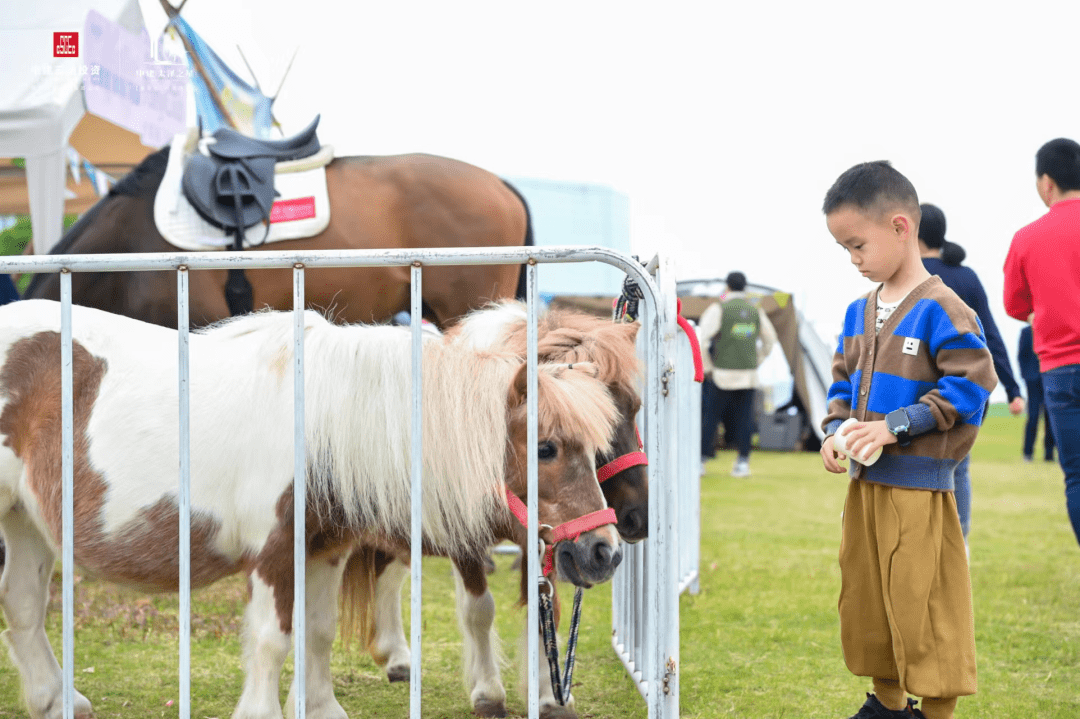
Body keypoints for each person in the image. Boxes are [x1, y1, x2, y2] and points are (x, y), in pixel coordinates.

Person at [820, 161, 996, 719]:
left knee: (927, 606)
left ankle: (935, 711)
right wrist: (834, 432)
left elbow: (972, 387)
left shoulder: (945, 308)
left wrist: (896, 426)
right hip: (865, 487)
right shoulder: (857, 311)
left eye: (857, 244)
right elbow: (841, 386)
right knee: (869, 600)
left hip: (920, 490)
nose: (853, 259)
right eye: (845, 248)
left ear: (900, 227)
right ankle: (886, 705)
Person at [918, 202, 1024, 538]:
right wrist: (1013, 388)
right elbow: (989, 336)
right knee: (959, 469)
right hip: (963, 392)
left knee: (912, 469)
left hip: (916, 392)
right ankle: (958, 543)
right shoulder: (966, 277)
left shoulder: (908, 277)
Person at [1003, 137, 1080, 546]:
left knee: (1077, 476)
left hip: (1060, 369)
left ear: (1046, 182)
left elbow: (1014, 305)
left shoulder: (1027, 237)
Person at [698, 271, 777, 477]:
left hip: (722, 374)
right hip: (748, 376)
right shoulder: (755, 310)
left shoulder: (719, 308)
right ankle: (742, 463)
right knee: (745, 420)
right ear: (745, 288)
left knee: (711, 419)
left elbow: (702, 339)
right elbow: (770, 339)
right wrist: (757, 360)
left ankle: (701, 461)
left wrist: (707, 367)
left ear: (727, 287)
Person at [1017, 323, 1055, 462]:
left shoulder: (1050, 329)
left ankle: (1049, 455)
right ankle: (1028, 453)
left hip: (1048, 377)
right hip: (1032, 381)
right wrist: (1025, 376)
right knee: (1033, 417)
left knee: (1050, 417)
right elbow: (1021, 355)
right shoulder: (1026, 332)